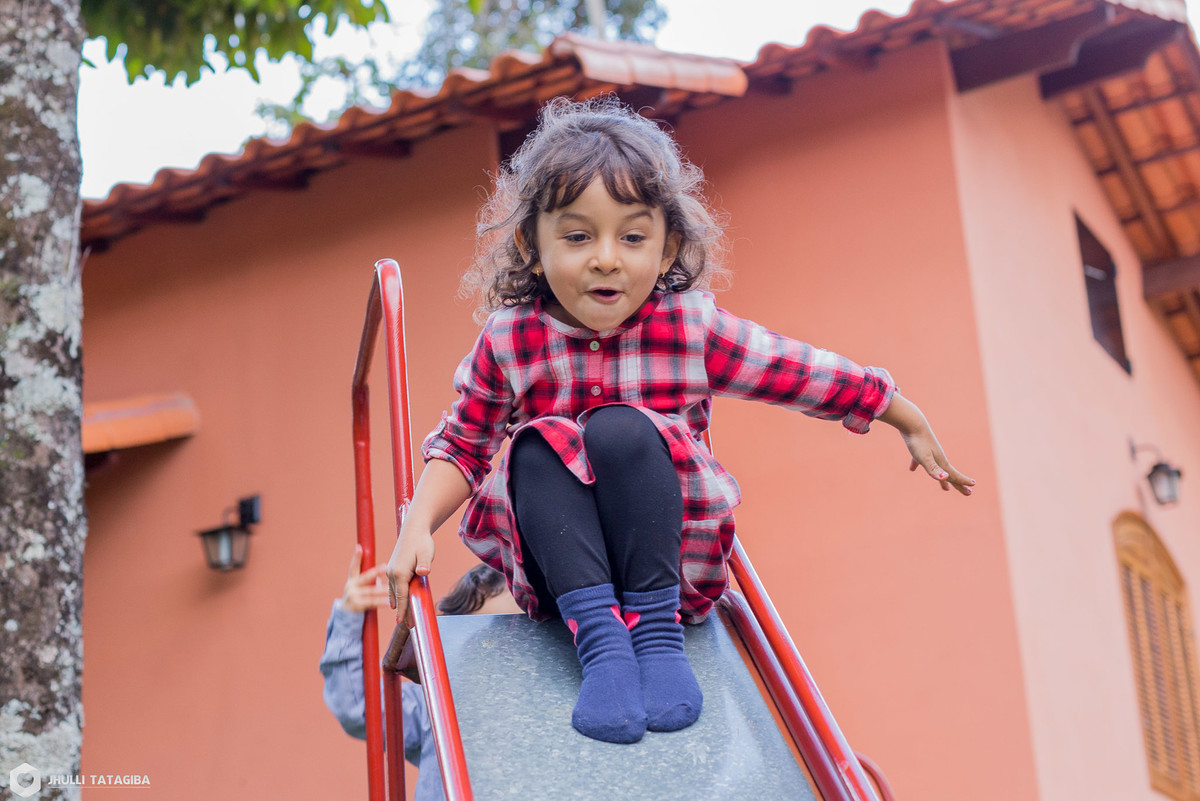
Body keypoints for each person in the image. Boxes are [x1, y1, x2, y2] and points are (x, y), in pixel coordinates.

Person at [385, 96, 975, 746]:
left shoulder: (690, 328)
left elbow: (791, 369)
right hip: (563, 577)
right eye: (578, 236)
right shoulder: (510, 340)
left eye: (632, 237)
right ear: (531, 245)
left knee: (618, 428)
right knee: (533, 447)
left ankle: (655, 634)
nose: (607, 257)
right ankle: (604, 643)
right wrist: (417, 524)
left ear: (667, 250)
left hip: (669, 566)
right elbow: (464, 444)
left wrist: (900, 412)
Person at [320, 544, 518, 800]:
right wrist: (349, 617)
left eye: (519, 641)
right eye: (483, 644)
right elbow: (357, 706)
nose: (501, 658)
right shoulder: (435, 706)